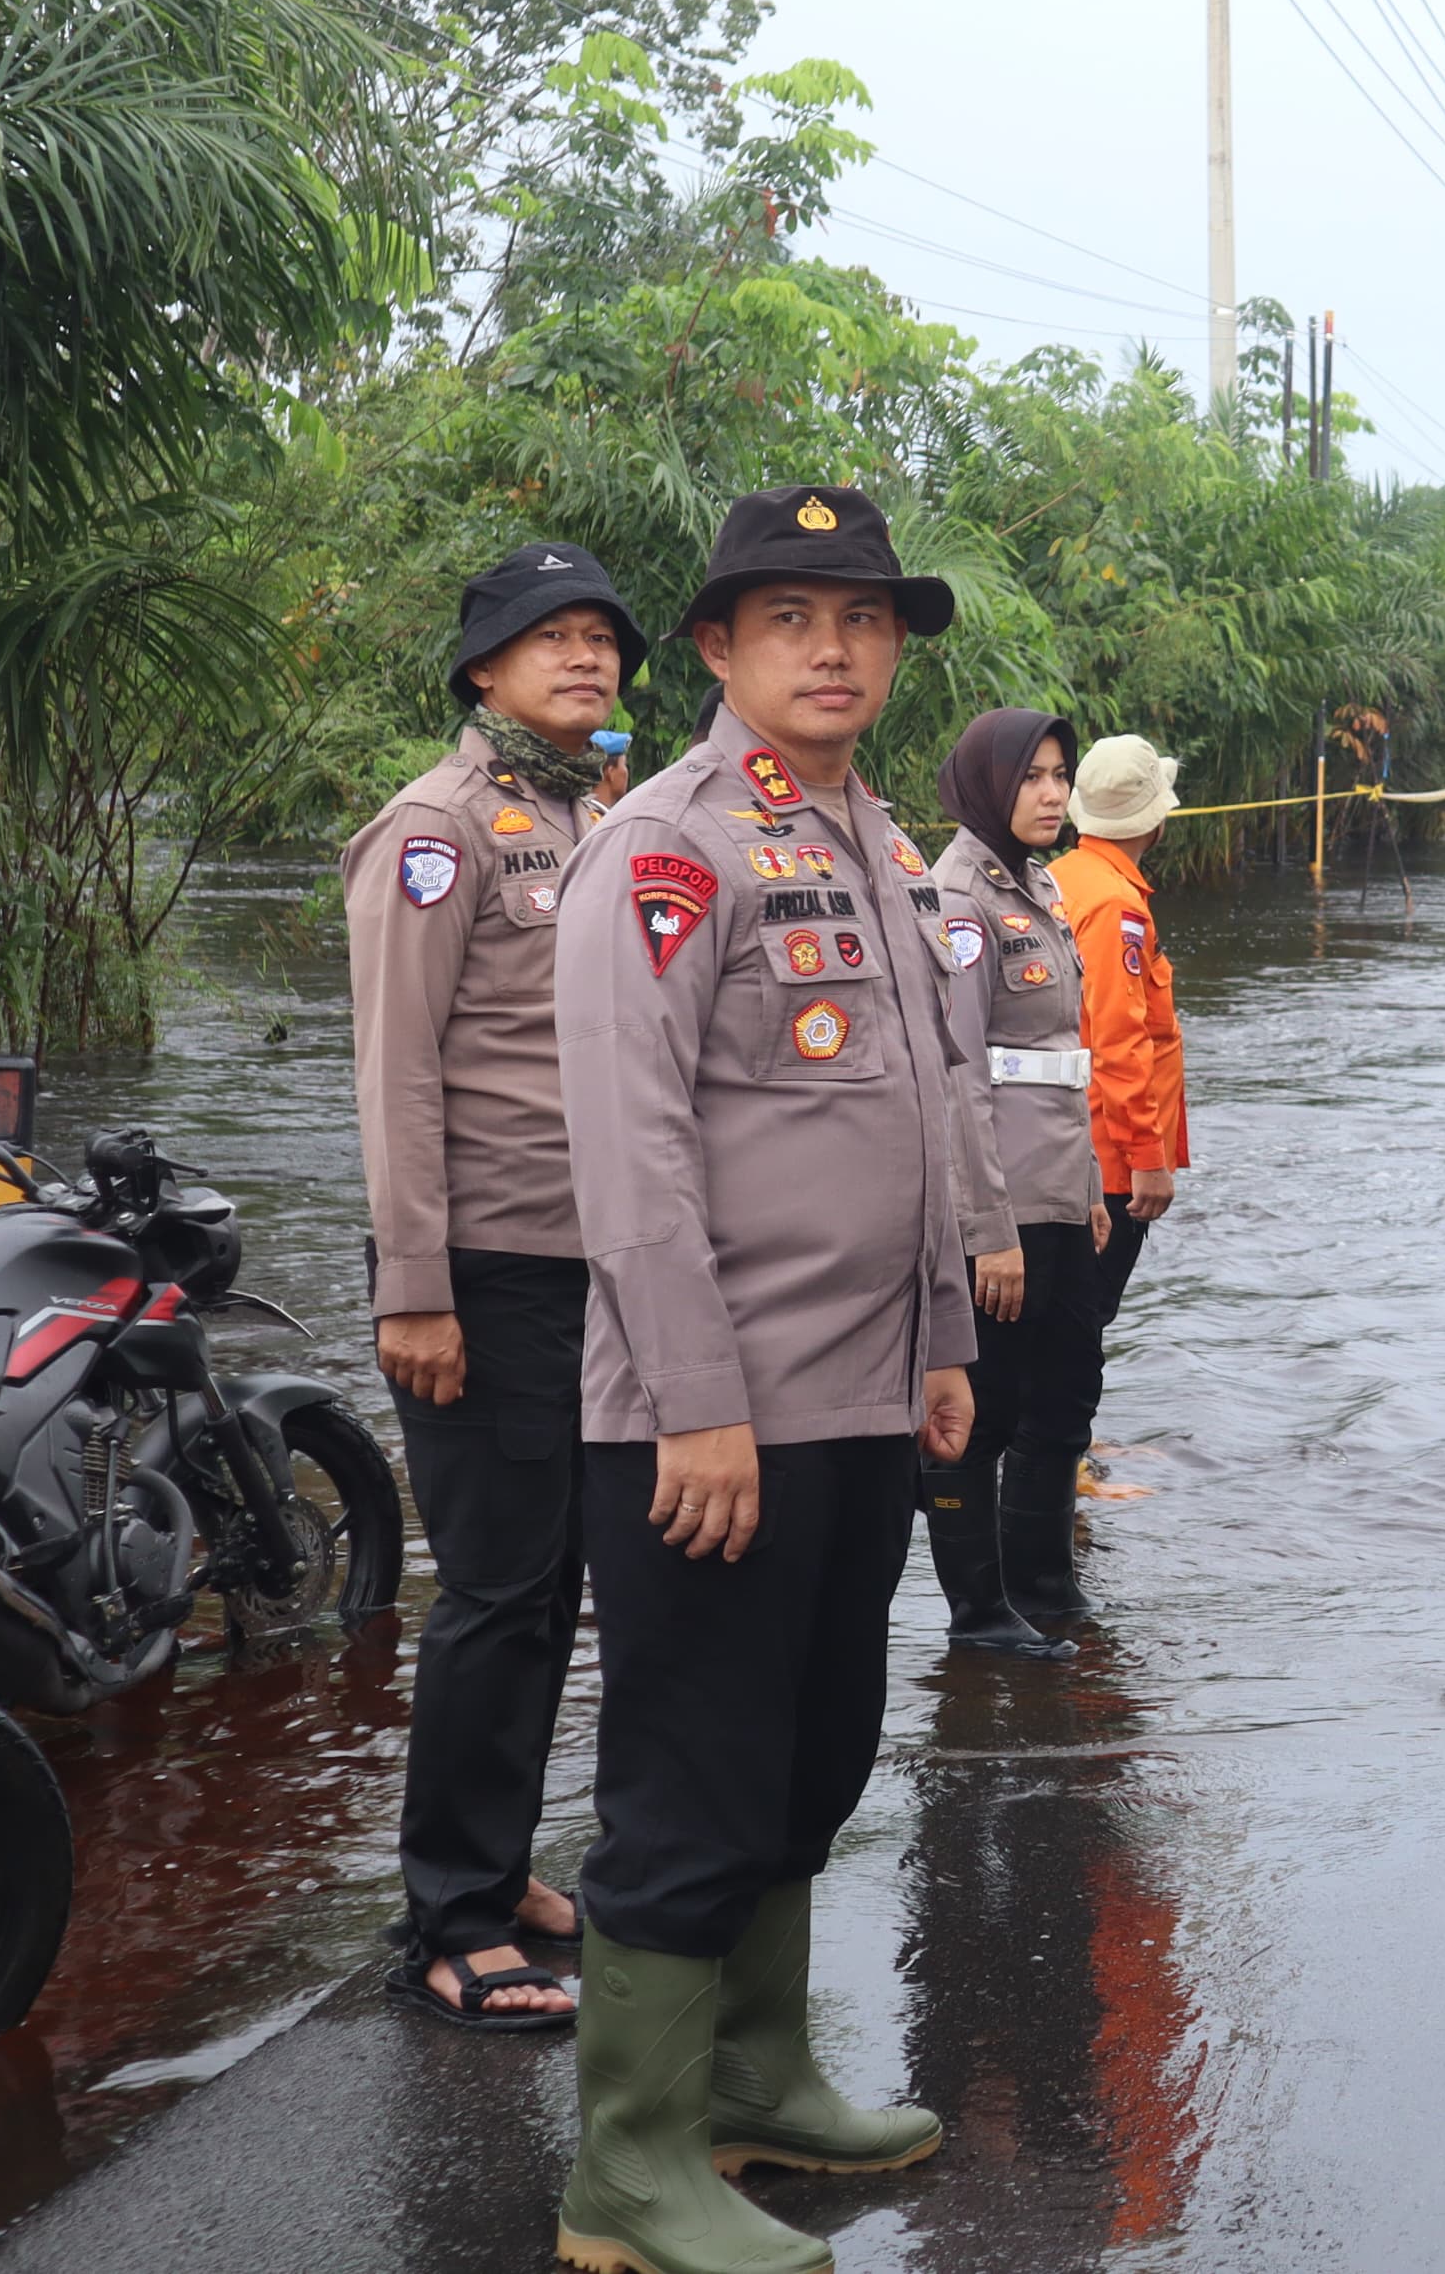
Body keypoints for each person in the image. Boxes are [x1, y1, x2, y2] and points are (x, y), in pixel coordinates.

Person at [550, 485, 982, 2274]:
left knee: (810, 1753)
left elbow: (929, 1117)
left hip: (866, 1400)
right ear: (716, 645)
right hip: (712, 1414)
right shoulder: (666, 846)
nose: (837, 646)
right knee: (691, 1773)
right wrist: (695, 1400)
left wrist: (947, 1340)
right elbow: (631, 1150)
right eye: (792, 615)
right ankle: (628, 2170)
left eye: (866, 617)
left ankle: (758, 2074)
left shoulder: (877, 841)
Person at [343, 538, 646, 2036]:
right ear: (485, 667)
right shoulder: (439, 829)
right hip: (484, 1267)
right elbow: (396, 1072)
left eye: (602, 639)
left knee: (557, 1587)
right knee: (494, 1591)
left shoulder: (604, 814)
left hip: (598, 1267)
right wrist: (415, 1288)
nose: (586, 658)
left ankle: (505, 1866)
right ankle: (451, 1923)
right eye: (553, 638)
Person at [918, 709, 1111, 1659]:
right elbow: (958, 1072)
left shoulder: (1039, 887)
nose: (1050, 793)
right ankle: (980, 1612)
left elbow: (1064, 1060)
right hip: (998, 1208)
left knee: (1069, 1391)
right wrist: (985, 1227)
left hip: (1058, 1193)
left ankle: (1046, 1585)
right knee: (985, 1412)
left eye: (1059, 775)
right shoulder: (959, 898)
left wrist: (1091, 1187)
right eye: (1031, 777)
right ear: (988, 786)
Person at [1052, 732, 1190, 1558]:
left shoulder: (1072, 877)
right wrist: (1148, 1155)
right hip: (1108, 1149)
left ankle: (1075, 1447)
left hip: (1076, 1139)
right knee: (1085, 1314)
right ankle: (1067, 1463)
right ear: (1156, 818)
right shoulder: (1117, 904)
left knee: (1075, 1309)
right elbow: (1121, 1037)